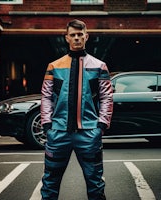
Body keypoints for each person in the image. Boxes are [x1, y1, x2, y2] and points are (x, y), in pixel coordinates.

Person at [40, 19, 113, 200]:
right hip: (58, 132)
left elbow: (106, 97)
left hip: (89, 133)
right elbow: (46, 97)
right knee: (50, 182)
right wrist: (48, 125)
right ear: (67, 38)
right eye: (73, 35)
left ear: (86, 37)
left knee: (95, 183)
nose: (77, 38)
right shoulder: (54, 67)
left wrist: (101, 125)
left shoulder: (99, 66)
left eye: (80, 35)